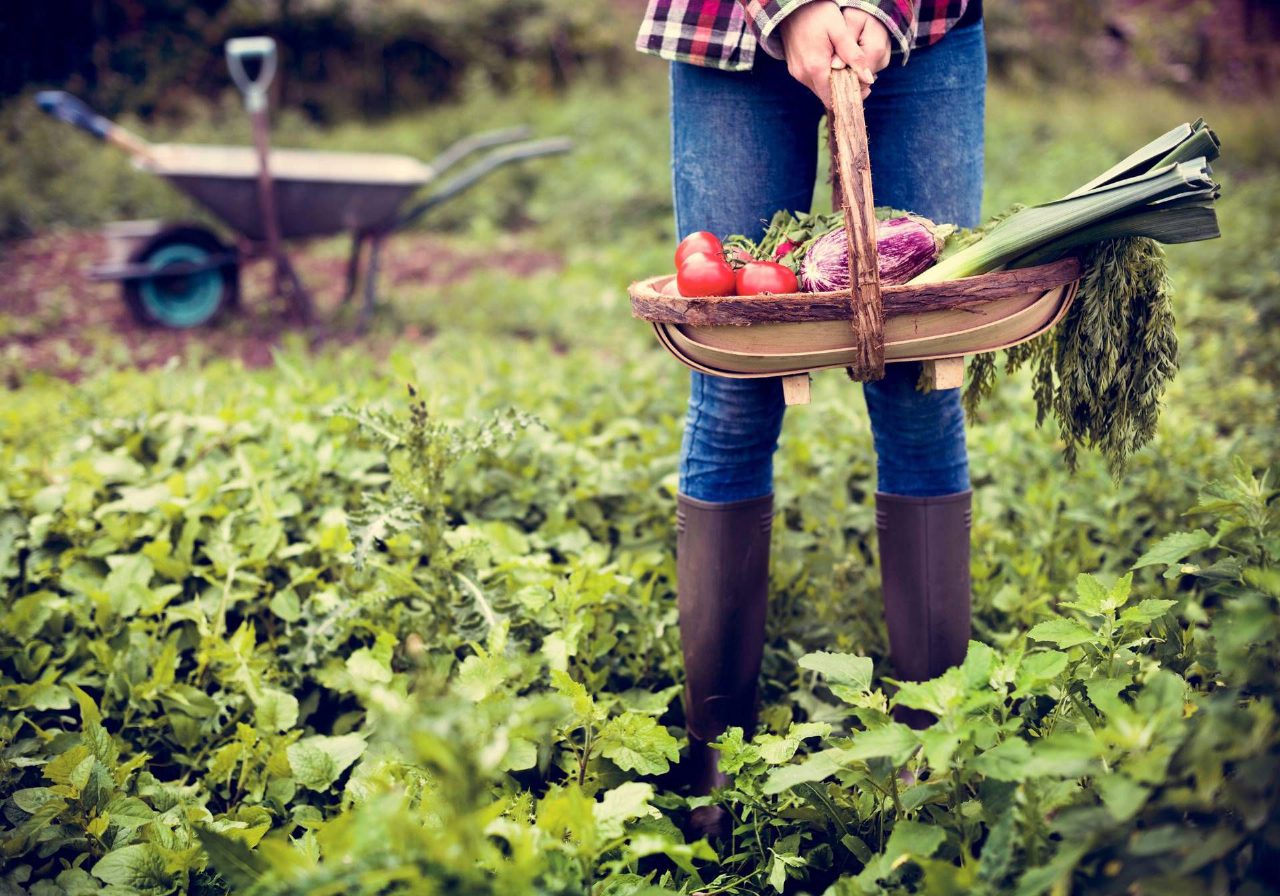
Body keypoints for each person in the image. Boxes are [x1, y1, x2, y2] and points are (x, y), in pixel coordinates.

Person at [636, 0, 985, 838]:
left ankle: (937, 756)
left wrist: (877, 9)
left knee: (920, 379)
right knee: (736, 380)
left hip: (922, 29)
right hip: (730, 30)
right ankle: (716, 769)